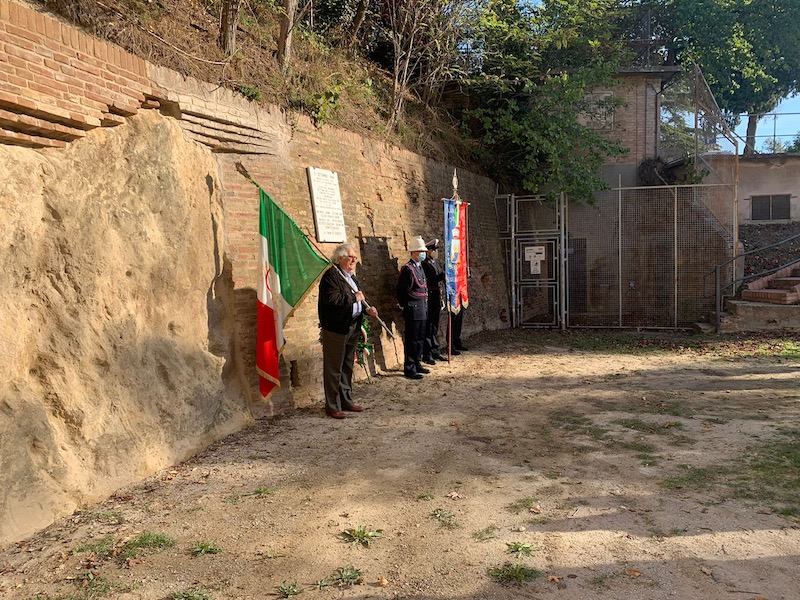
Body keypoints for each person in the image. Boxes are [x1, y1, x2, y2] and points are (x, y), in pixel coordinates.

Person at [318, 243, 378, 419]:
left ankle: (346, 400)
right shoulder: (331, 276)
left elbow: (359, 298)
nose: (354, 260)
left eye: (355, 257)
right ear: (340, 259)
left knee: (347, 366)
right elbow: (333, 300)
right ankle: (332, 406)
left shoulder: (351, 277)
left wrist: (367, 309)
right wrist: (354, 297)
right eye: (350, 257)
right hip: (336, 328)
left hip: (353, 326)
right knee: (333, 367)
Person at [396, 236, 429, 380]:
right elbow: (402, 290)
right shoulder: (408, 269)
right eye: (421, 251)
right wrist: (406, 306)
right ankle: (410, 367)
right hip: (413, 308)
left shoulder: (419, 267)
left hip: (422, 307)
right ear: (414, 252)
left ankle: (417, 362)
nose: (423, 253)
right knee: (412, 339)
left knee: (420, 337)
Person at [421, 238, 445, 364]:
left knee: (435, 326)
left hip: (436, 296)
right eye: (434, 250)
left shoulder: (433, 262)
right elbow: (432, 279)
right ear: (429, 251)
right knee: (429, 326)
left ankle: (435, 350)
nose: (436, 252)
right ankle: (427, 353)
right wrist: (445, 274)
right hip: (430, 296)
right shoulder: (425, 264)